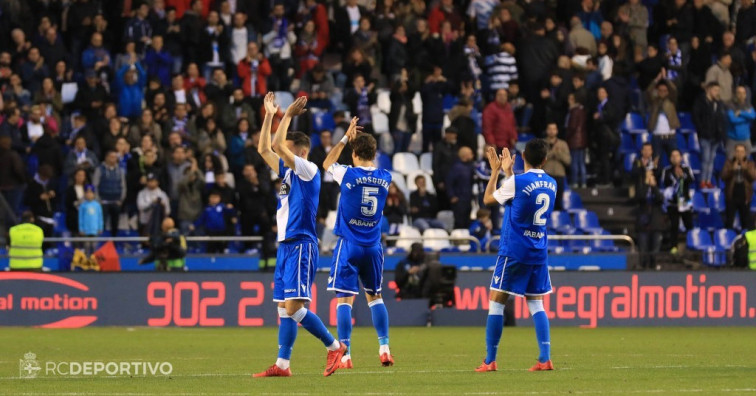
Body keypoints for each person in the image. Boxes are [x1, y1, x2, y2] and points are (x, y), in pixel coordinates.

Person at [254, 93, 345, 378]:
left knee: (294, 308)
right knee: (283, 308)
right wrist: (270, 115)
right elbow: (265, 150)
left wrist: (288, 115)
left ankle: (334, 346)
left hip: (301, 244)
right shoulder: (290, 173)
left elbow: (278, 145)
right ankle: (283, 365)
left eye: (289, 152)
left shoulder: (308, 170)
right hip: (285, 245)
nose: (283, 154)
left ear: (301, 153)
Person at [322, 116, 394, 369]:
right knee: (375, 297)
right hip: (373, 247)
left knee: (344, 300)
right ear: (374, 152)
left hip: (349, 244)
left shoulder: (347, 174)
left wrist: (344, 137)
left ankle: (346, 354)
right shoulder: (386, 176)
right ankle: (384, 347)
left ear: (354, 153)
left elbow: (327, 162)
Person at [479, 140, 555, 372]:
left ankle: (490, 360)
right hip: (538, 251)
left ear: (523, 156)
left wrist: (494, 172)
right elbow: (522, 195)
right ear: (545, 160)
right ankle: (545, 358)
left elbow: (488, 199)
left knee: (496, 302)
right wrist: (509, 172)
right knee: (536, 303)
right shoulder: (552, 184)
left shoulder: (517, 182)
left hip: (514, 250)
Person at [692, 82, 727, 188]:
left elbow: (721, 119)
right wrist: (701, 130)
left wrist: (721, 132)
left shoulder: (719, 103)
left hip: (716, 136)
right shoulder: (701, 101)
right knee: (705, 159)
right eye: (715, 90)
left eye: (718, 90)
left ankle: (708, 180)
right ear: (709, 90)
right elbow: (696, 117)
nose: (717, 92)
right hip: (705, 136)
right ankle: (702, 180)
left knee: (711, 160)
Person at [660, 150, 695, 252]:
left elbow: (691, 180)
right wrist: (675, 177)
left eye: (677, 156)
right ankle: (673, 247)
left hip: (685, 200)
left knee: (689, 225)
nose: (675, 158)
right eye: (673, 156)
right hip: (672, 202)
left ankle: (691, 245)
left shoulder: (686, 169)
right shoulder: (666, 170)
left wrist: (682, 176)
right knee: (674, 225)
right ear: (670, 159)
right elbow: (665, 182)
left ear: (681, 158)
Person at [635, 170, 666, 270]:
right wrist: (646, 185)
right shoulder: (641, 189)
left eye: (651, 177)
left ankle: (653, 265)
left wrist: (653, 186)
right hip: (643, 224)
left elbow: (660, 199)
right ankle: (643, 266)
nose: (649, 179)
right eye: (647, 177)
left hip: (655, 224)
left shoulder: (658, 190)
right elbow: (639, 197)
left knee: (655, 251)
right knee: (643, 250)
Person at [721, 144, 756, 231]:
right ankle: (728, 240)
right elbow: (723, 176)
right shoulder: (729, 163)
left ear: (745, 153)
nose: (740, 153)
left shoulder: (750, 164)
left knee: (746, 222)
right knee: (729, 221)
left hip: (744, 195)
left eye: (742, 151)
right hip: (732, 195)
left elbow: (753, 177)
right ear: (734, 153)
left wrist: (745, 168)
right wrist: (732, 169)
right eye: (738, 151)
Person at [92, 151, 126, 236]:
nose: (113, 159)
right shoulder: (99, 170)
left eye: (115, 157)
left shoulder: (120, 170)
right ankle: (100, 243)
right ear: (106, 158)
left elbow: (123, 186)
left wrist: (121, 200)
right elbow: (95, 185)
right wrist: (98, 200)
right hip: (103, 201)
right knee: (101, 225)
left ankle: (114, 243)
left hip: (116, 201)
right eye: (111, 157)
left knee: (115, 225)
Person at [543, 123, 571, 210]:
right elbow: (538, 160)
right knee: (546, 202)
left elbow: (568, 161)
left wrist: (558, 153)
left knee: (558, 203)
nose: (552, 131)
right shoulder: (542, 144)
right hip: (546, 175)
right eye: (550, 129)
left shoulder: (563, 144)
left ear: (557, 131)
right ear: (547, 131)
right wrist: (552, 153)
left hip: (559, 175)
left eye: (554, 129)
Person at [447, 147, 475, 229]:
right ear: (465, 155)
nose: (472, 156)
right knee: (459, 221)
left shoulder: (471, 167)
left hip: (468, 198)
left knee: (467, 220)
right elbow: (449, 182)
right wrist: (452, 196)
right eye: (470, 154)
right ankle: (458, 239)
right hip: (459, 199)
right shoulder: (456, 167)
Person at [482, 89, 517, 153]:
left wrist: (514, 137)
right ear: (496, 96)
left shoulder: (508, 107)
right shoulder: (490, 109)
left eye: (504, 95)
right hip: (496, 146)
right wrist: (491, 143)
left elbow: (512, 125)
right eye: (500, 95)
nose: (502, 97)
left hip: (508, 145)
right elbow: (487, 128)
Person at [726, 86, 756, 157]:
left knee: (746, 162)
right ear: (735, 94)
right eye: (739, 93)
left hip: (745, 138)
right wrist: (746, 117)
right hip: (732, 138)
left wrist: (741, 113)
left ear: (746, 95)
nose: (741, 95)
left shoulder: (748, 105)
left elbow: (753, 116)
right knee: (730, 162)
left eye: (743, 93)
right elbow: (733, 119)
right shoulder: (730, 105)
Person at [78, 184, 103, 253]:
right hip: (86, 230)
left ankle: (94, 262)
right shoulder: (82, 205)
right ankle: (87, 262)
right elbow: (80, 218)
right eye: (87, 192)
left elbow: (100, 217)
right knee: (87, 246)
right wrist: (81, 229)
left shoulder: (97, 205)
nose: (89, 194)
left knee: (95, 246)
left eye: (90, 192)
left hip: (95, 230)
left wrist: (100, 228)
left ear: (94, 194)